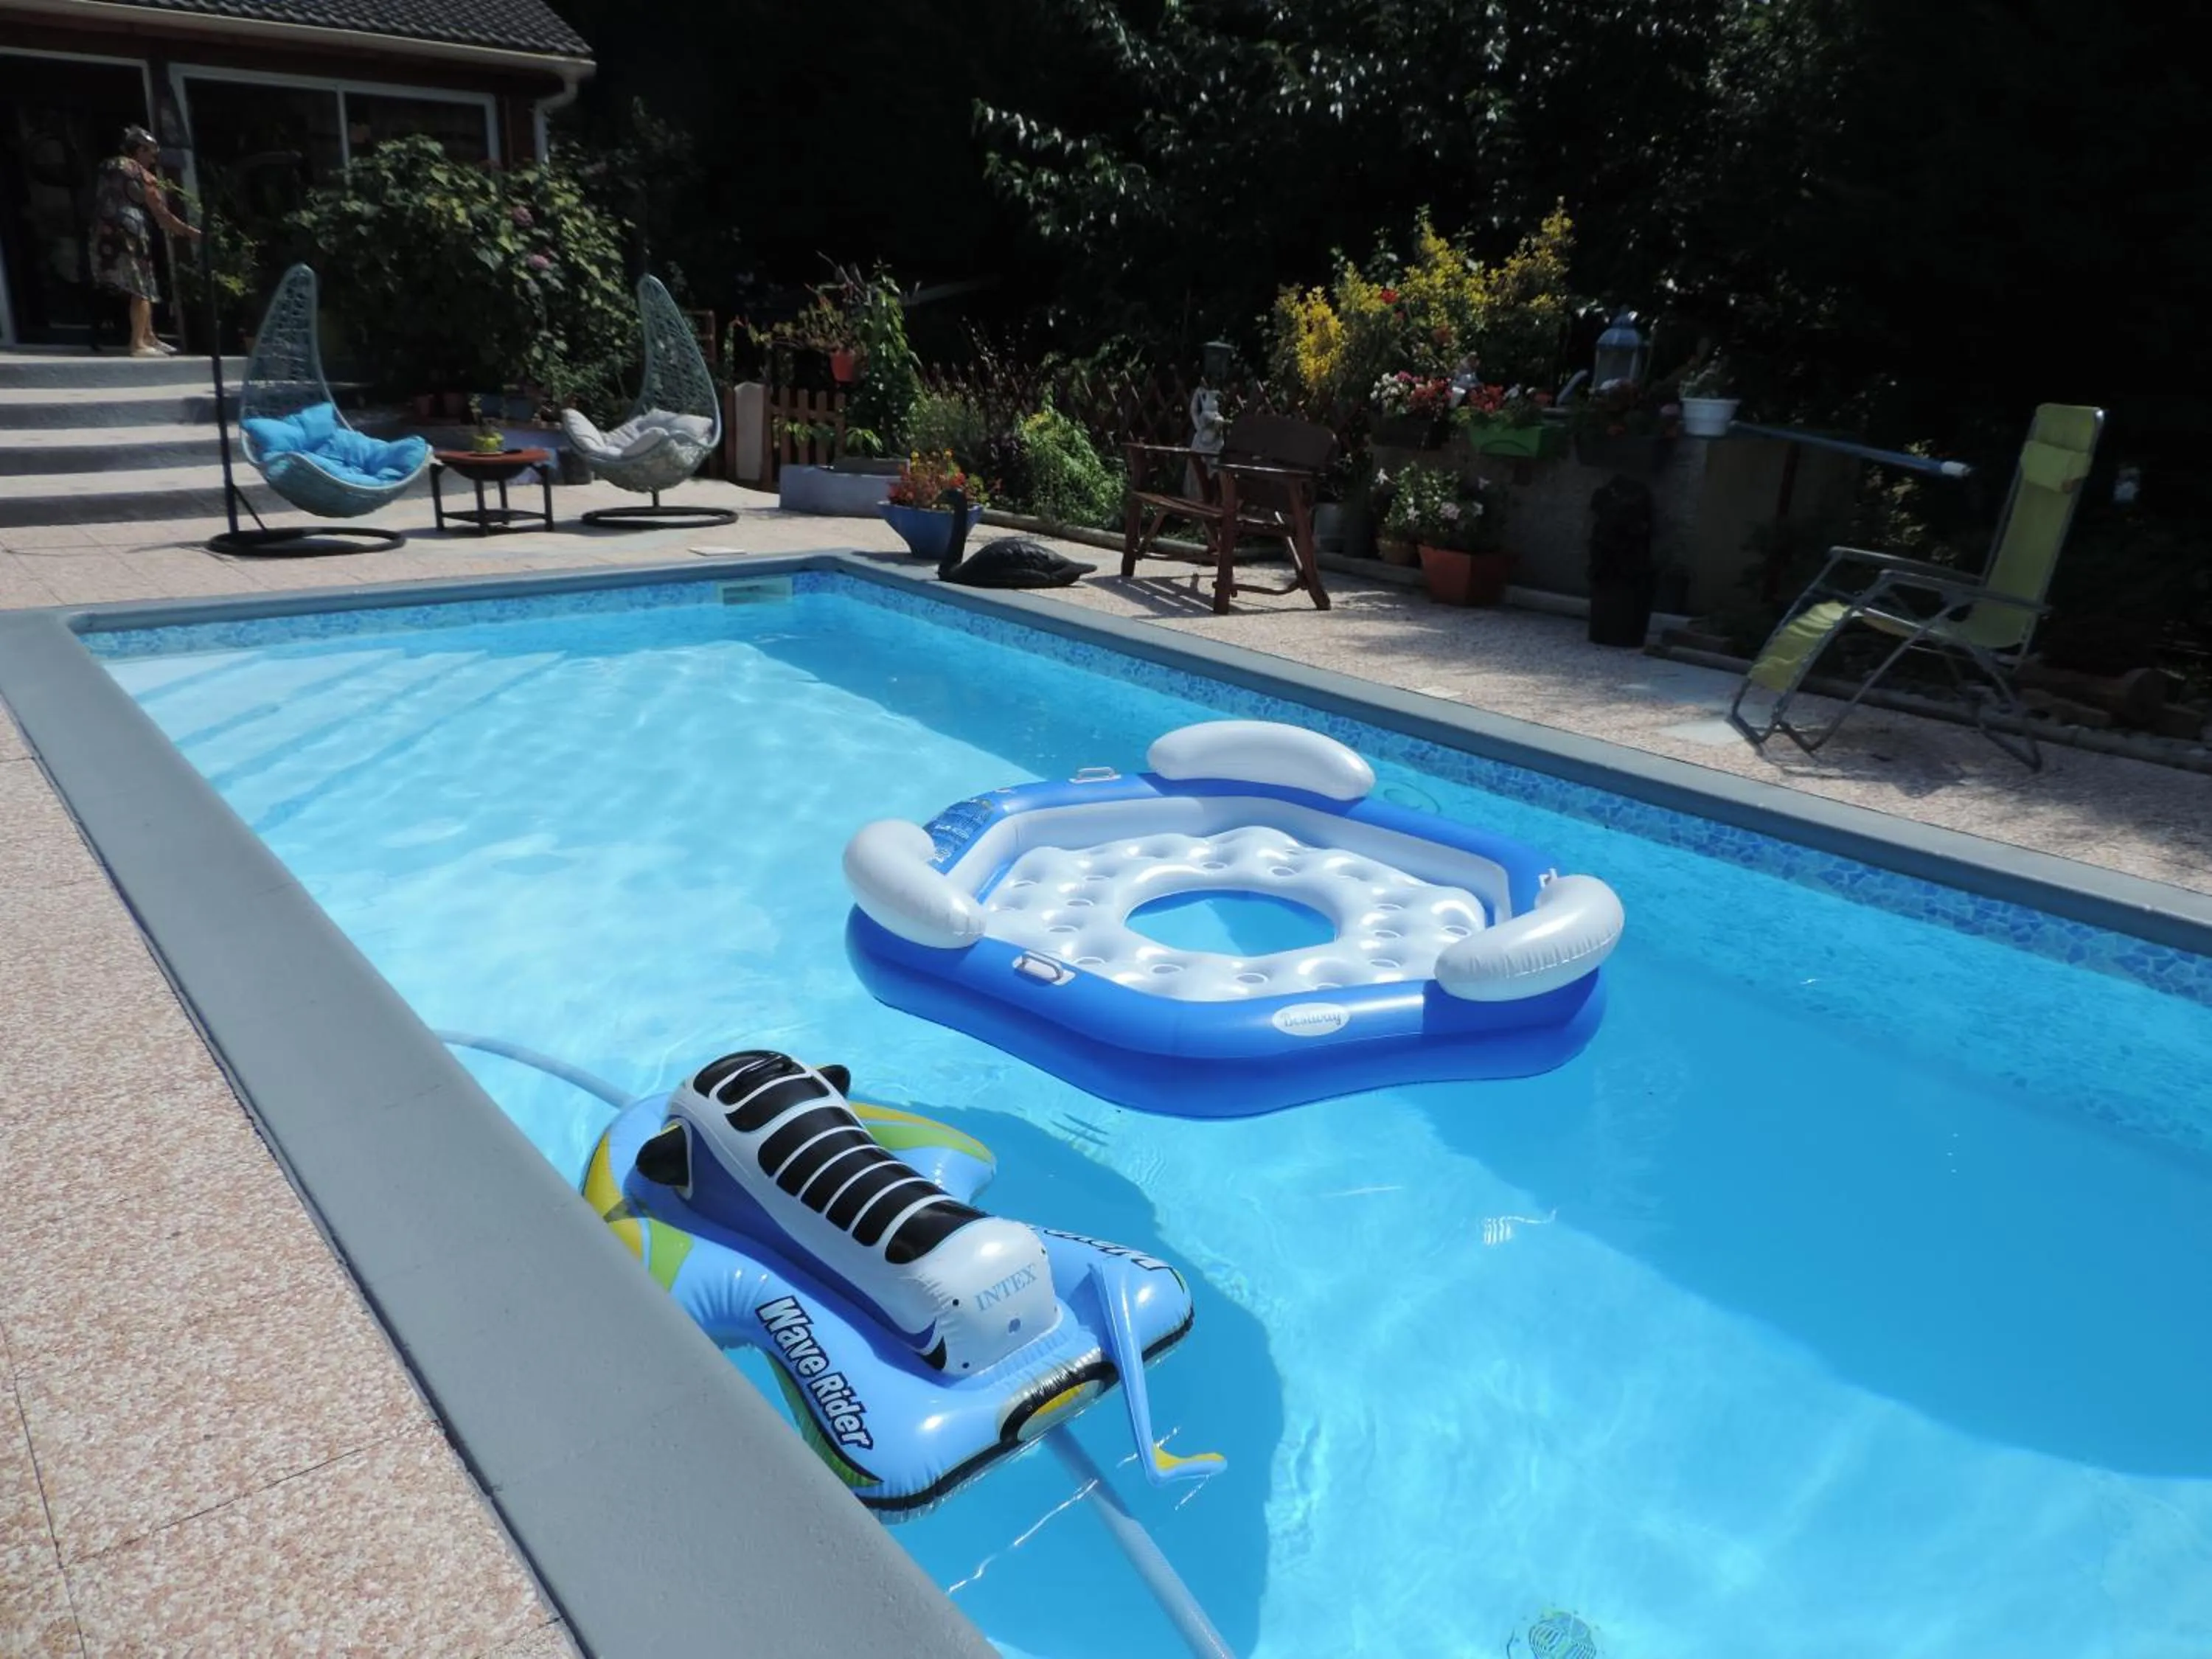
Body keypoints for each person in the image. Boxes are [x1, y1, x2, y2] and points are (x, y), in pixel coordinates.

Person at [91, 125, 201, 358]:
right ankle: (138, 343)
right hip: (130, 231)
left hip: (104, 232)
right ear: (139, 149)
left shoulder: (107, 167)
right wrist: (191, 232)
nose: (153, 159)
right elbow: (161, 214)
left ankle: (149, 336)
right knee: (142, 287)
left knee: (137, 285)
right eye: (150, 153)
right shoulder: (142, 173)